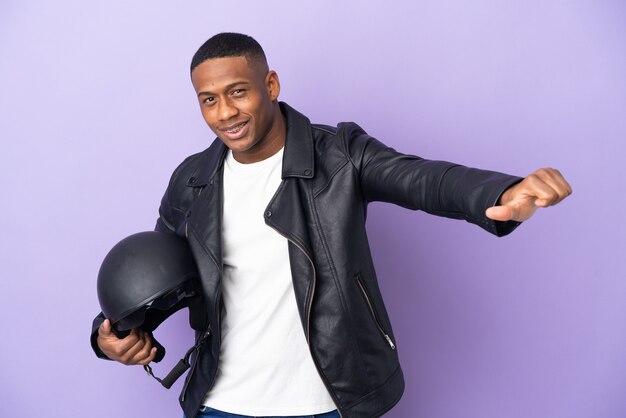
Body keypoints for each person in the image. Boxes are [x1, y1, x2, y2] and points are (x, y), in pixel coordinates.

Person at [91, 33, 572, 418]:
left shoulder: (341, 154)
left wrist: (500, 192)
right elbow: (157, 270)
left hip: (329, 402)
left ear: (271, 85)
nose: (225, 113)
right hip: (222, 403)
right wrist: (109, 332)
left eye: (238, 92)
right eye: (208, 100)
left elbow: (423, 178)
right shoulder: (193, 179)